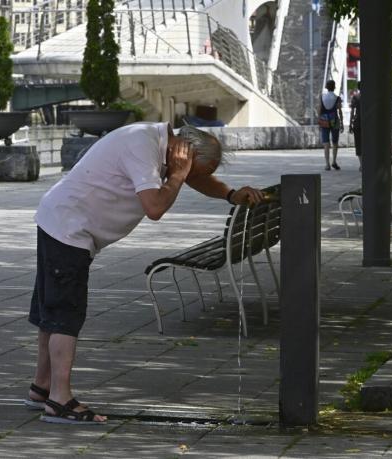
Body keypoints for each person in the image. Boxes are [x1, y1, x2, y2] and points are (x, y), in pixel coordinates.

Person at [26, 123, 264, 424]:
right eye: (194, 170)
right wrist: (177, 175)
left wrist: (229, 193)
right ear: (185, 152)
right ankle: (59, 399)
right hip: (68, 226)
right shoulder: (143, 145)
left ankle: (42, 387)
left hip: (62, 220)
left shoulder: (160, 143)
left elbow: (194, 177)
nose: (192, 179)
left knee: (52, 309)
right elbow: (154, 207)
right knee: (64, 313)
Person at [318, 79, 344, 171]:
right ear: (334, 87)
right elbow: (340, 111)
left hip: (324, 121)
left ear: (327, 87)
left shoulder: (322, 97)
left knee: (326, 143)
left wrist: (319, 121)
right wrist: (342, 122)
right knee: (335, 142)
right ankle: (334, 161)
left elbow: (320, 109)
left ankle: (327, 164)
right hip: (334, 121)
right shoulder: (337, 98)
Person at [349, 82, 362, 170]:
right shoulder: (370, 97)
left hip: (357, 123)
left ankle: (361, 164)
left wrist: (350, 124)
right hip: (368, 124)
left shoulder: (356, 97)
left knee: (358, 144)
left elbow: (352, 112)